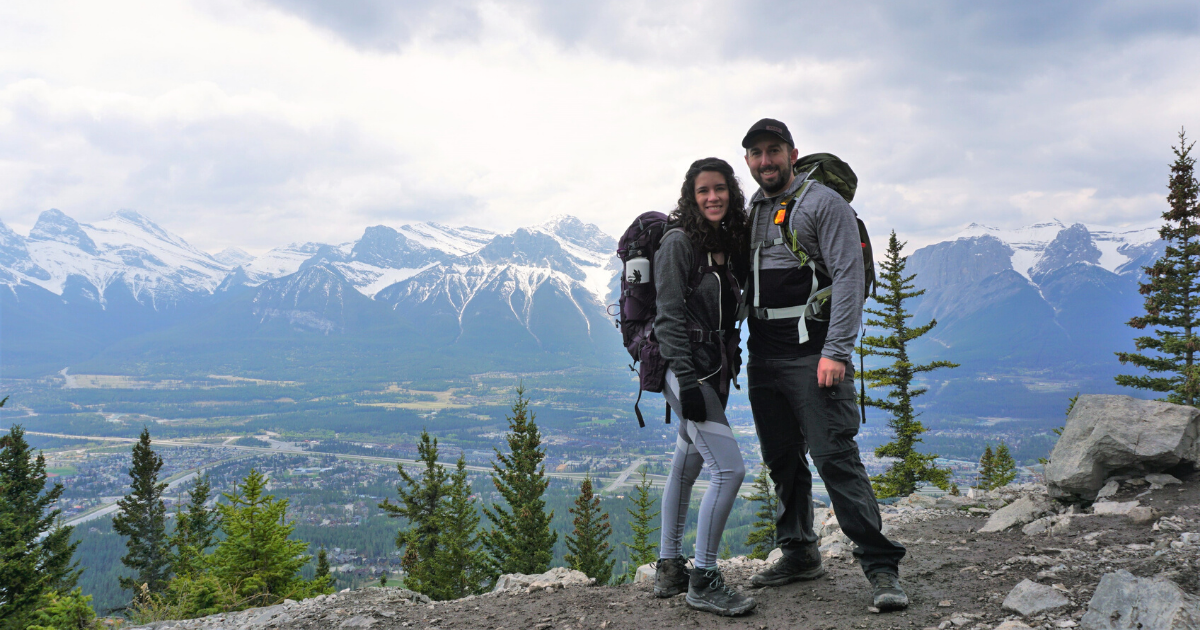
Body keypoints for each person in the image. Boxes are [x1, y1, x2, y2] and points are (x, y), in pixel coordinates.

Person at [739, 119, 910, 610]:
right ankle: (798, 552)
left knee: (834, 456)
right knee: (783, 460)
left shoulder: (822, 204)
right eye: (756, 153)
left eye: (774, 151)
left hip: (814, 356)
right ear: (747, 161)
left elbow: (849, 278)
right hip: (764, 356)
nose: (766, 161)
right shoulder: (753, 210)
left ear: (794, 153)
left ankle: (882, 569)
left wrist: (836, 351)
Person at [651, 157, 755, 617]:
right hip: (686, 371)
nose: (713, 197)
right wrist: (687, 380)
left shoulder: (724, 244)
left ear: (731, 192)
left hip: (712, 370)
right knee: (730, 470)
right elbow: (668, 316)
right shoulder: (678, 243)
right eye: (703, 191)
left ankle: (670, 567)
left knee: (687, 464)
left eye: (720, 189)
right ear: (690, 198)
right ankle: (704, 579)